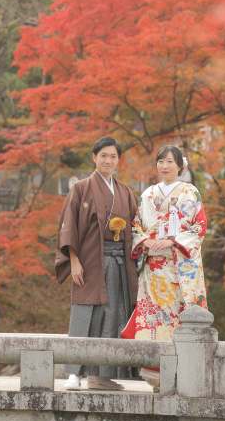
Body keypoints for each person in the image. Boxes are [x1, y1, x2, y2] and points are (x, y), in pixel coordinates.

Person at [120, 145, 208, 391]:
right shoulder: (147, 194)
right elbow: (135, 225)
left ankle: (181, 372)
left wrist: (170, 241)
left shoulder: (190, 193)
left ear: (181, 165)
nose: (165, 166)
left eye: (170, 161)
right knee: (153, 317)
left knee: (179, 315)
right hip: (154, 267)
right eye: (161, 161)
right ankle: (155, 375)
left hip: (178, 268)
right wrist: (145, 241)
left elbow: (198, 227)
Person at [55, 137, 139, 390]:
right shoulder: (81, 188)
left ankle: (100, 377)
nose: (108, 160)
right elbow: (68, 226)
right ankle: (74, 375)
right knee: (85, 314)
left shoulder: (125, 192)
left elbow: (138, 227)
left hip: (120, 264)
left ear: (118, 160)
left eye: (113, 156)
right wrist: (74, 261)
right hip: (90, 261)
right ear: (94, 157)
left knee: (114, 317)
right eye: (103, 155)